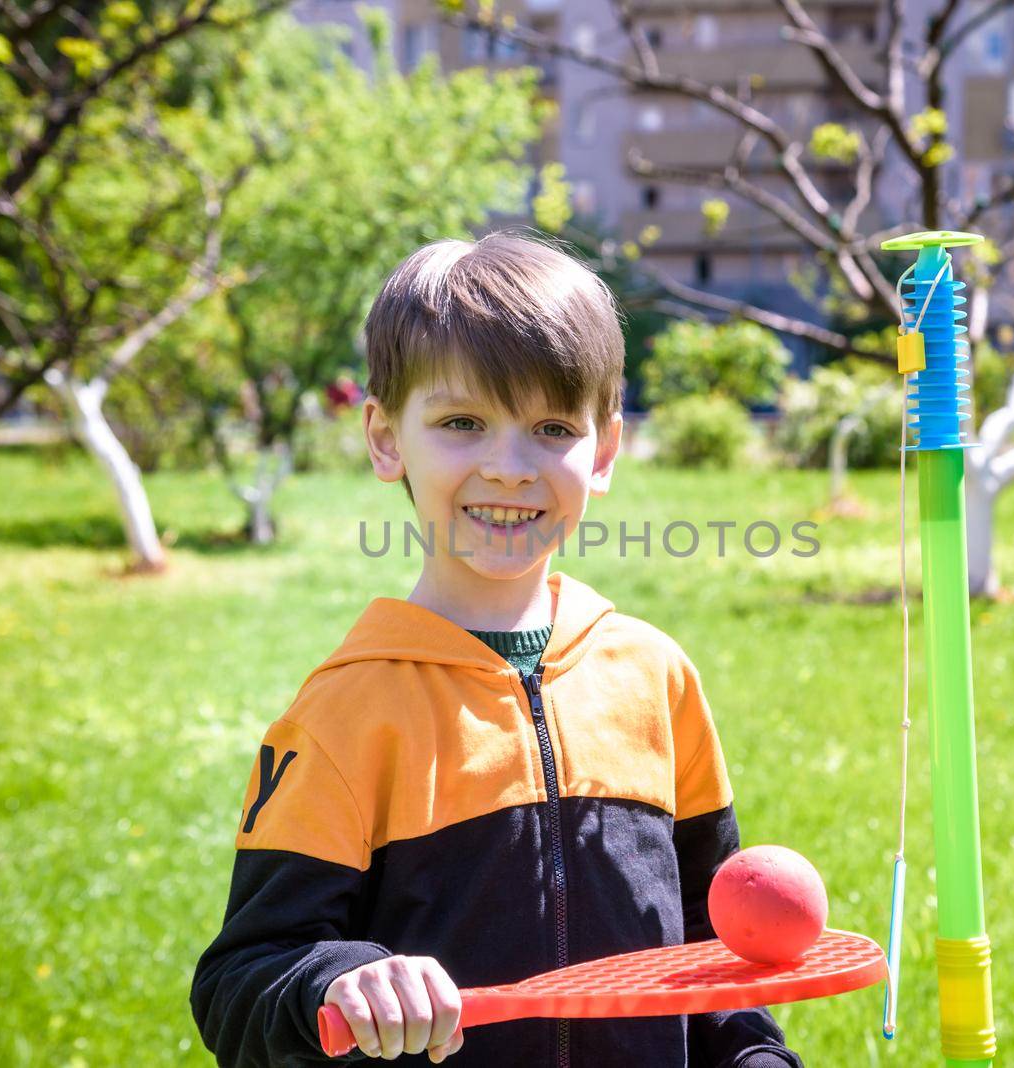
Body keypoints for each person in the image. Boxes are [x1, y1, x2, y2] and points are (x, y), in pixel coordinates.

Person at [190, 231, 804, 1067]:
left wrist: (753, 1060)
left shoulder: (655, 678)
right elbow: (242, 980)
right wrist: (338, 981)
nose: (509, 467)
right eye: (462, 423)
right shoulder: (345, 713)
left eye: (552, 427)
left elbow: (712, 947)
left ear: (606, 451)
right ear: (384, 438)